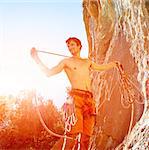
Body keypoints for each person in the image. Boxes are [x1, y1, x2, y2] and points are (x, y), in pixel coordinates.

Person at [30, 37, 120, 150]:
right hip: (76, 99)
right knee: (72, 135)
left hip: (89, 101)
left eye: (72, 45)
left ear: (79, 46)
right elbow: (49, 73)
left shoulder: (87, 62)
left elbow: (101, 67)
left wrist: (114, 64)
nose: (70, 48)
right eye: (68, 46)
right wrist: (36, 59)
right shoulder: (66, 61)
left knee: (86, 137)